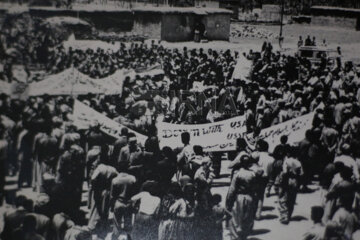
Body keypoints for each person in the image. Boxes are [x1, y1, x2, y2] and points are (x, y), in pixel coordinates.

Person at [226, 155, 260, 240]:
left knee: (236, 220)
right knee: (247, 219)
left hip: (239, 197)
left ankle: (236, 237)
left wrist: (229, 202)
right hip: (250, 197)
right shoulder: (253, 174)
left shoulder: (238, 174)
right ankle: (244, 237)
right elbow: (256, 188)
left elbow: (232, 189)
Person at [88, 163, 118, 240]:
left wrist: (94, 187)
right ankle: (103, 224)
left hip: (99, 190)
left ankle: (92, 225)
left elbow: (93, 178)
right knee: (105, 208)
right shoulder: (113, 169)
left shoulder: (99, 168)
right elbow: (117, 178)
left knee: (95, 208)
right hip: (107, 190)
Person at [278, 147, 303, 225]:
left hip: (287, 180)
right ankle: (289, 215)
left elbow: (285, 172)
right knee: (292, 199)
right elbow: (301, 173)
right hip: (295, 181)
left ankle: (284, 216)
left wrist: (280, 181)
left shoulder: (287, 161)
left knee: (283, 199)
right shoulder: (298, 162)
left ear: (288, 153)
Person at [110, 167, 137, 239]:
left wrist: (112, 206)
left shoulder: (115, 180)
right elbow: (134, 192)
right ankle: (129, 237)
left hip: (118, 202)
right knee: (128, 222)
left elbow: (112, 195)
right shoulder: (132, 179)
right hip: (128, 203)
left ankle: (115, 237)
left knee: (116, 222)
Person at [254, 139, 274, 220]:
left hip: (256, 177)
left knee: (253, 194)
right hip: (265, 178)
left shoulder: (256, 155)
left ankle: (252, 211)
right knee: (260, 196)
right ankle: (258, 214)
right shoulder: (271, 158)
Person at [0, 123, 8, 204]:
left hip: (2, 163)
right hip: (2, 163)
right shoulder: (5, 142)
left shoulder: (4, 143)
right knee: (2, 181)